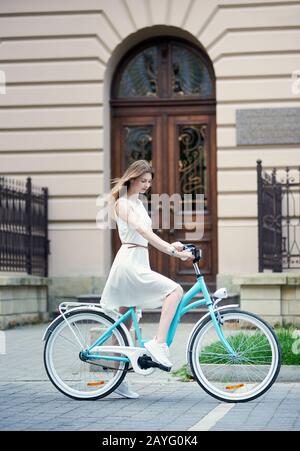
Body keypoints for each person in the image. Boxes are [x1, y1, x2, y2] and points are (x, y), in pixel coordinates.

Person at [100, 160, 194, 398]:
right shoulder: (122, 203)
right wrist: (172, 252)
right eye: (143, 181)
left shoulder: (140, 204)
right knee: (175, 291)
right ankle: (159, 343)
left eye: (149, 182)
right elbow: (141, 232)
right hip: (130, 263)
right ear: (131, 179)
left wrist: (173, 245)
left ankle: (115, 379)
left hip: (138, 259)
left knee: (123, 324)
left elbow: (146, 236)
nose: (146, 185)